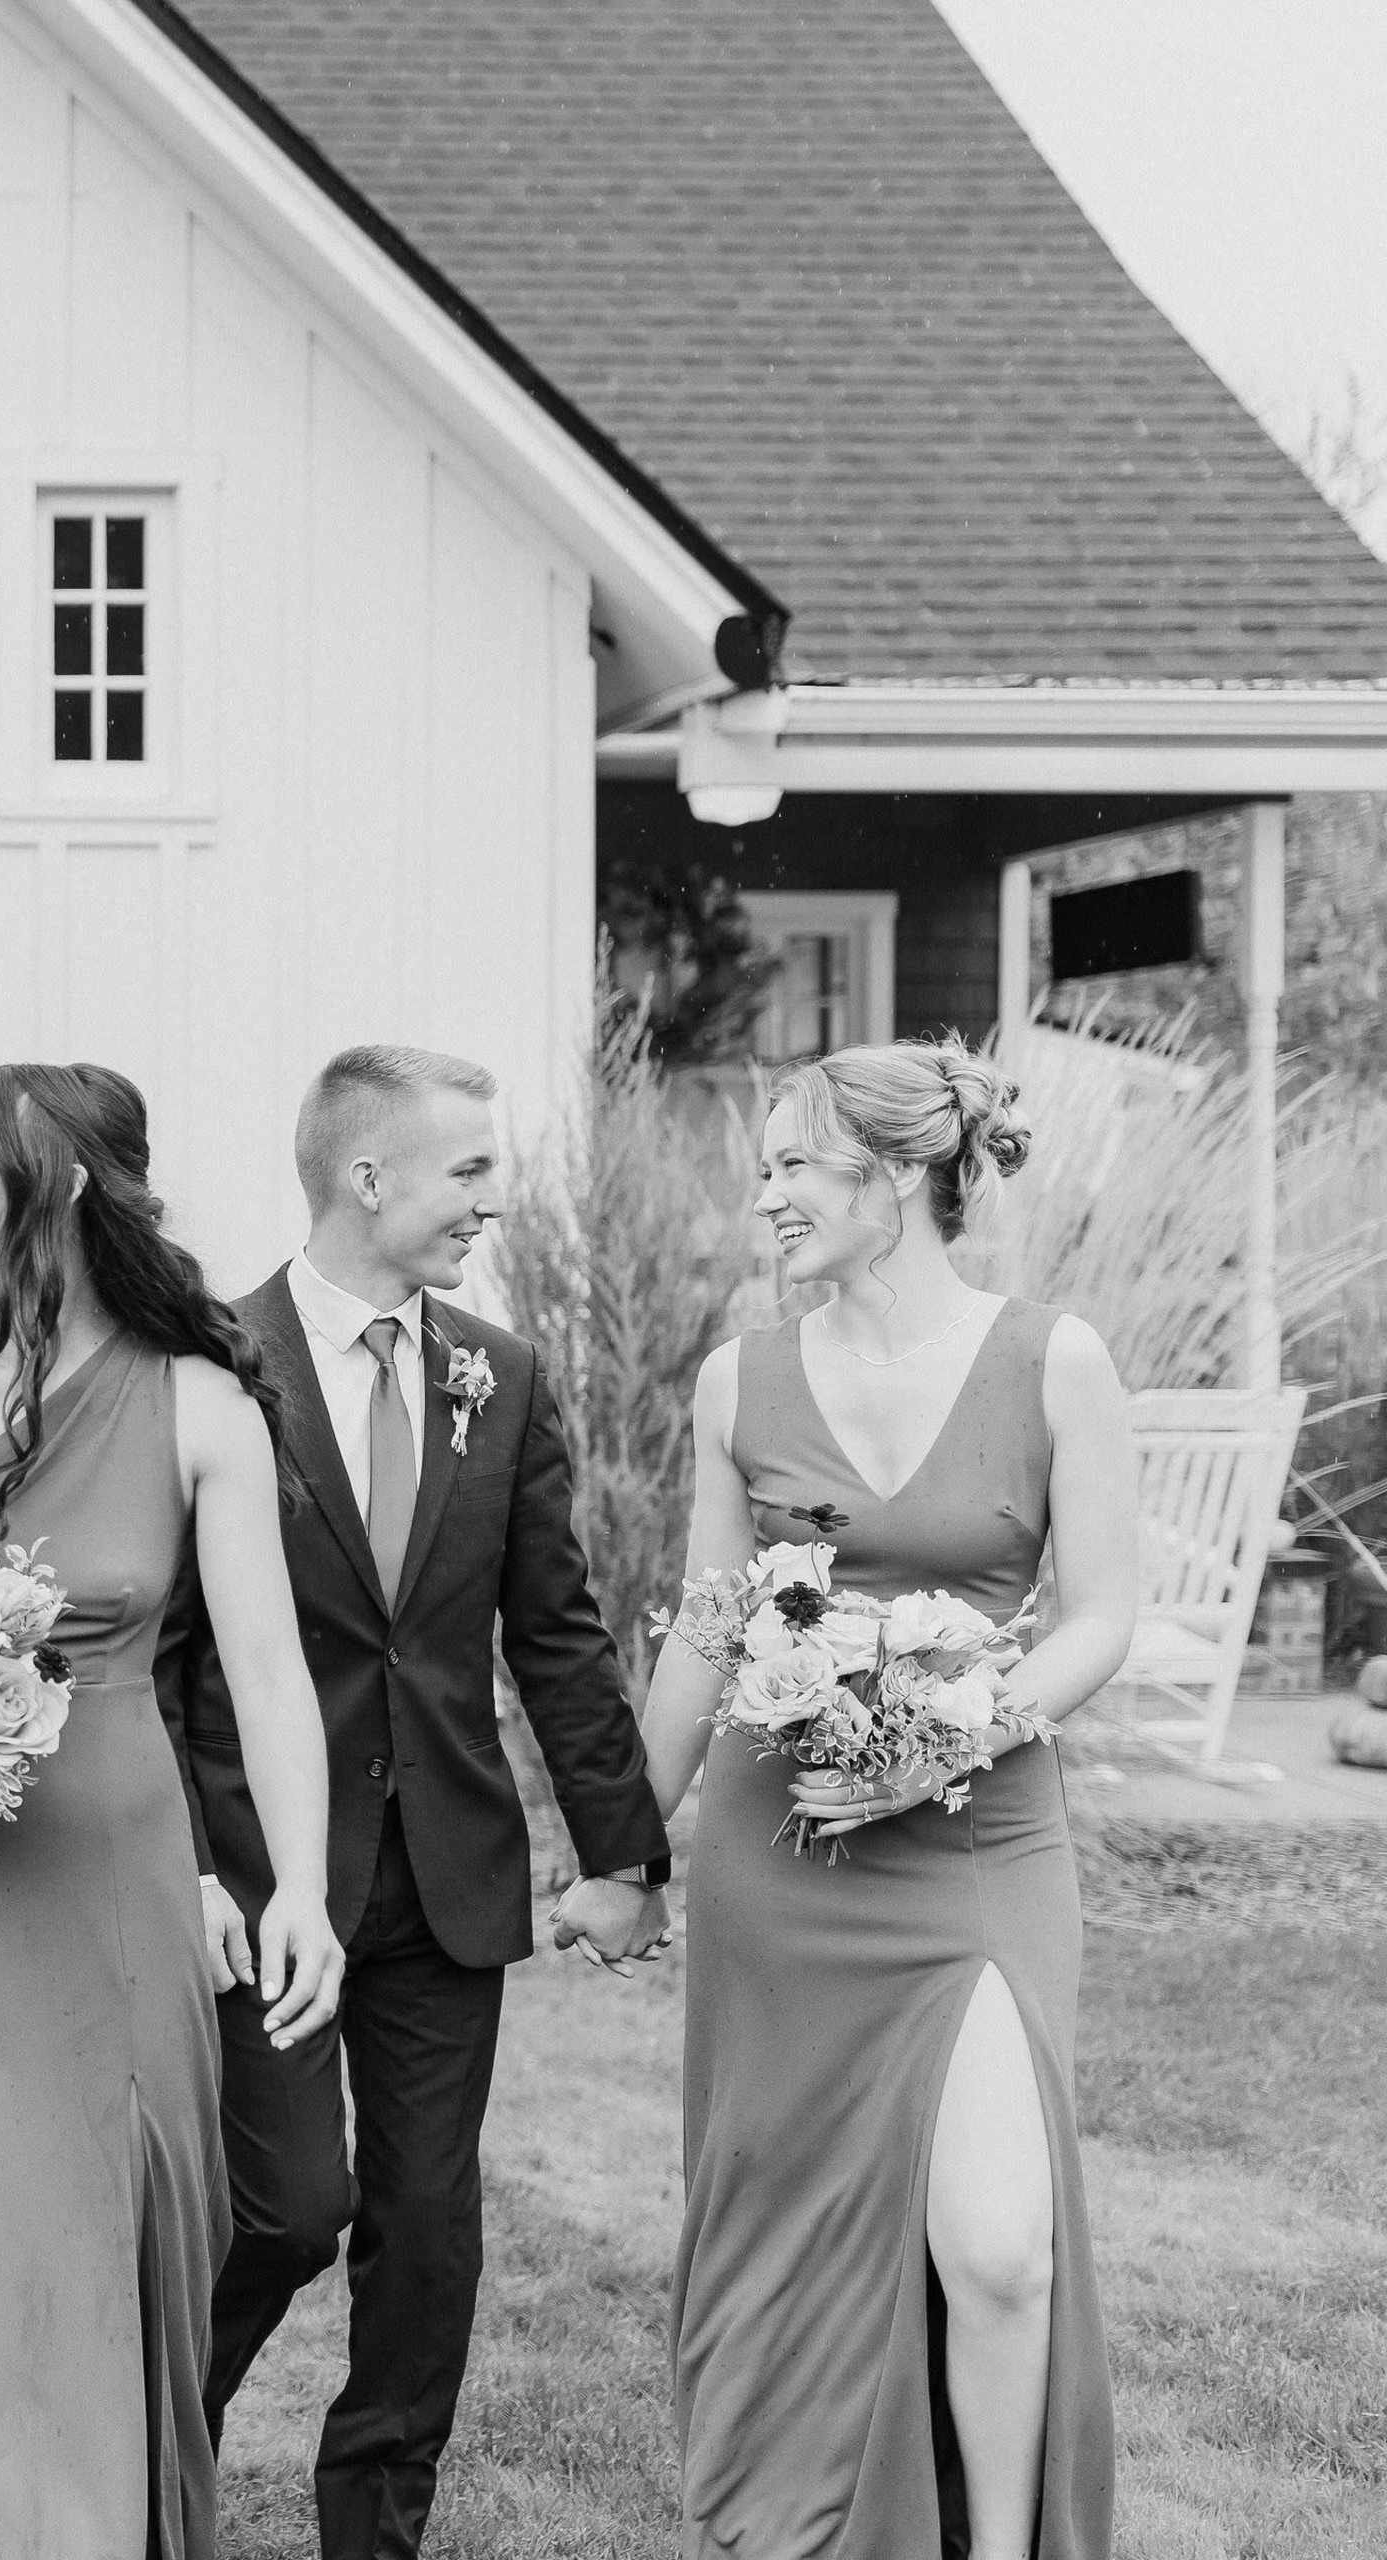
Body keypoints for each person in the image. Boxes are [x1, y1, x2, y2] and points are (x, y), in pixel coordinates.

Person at [0, 1060, 344, 2559]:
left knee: (95, 2247)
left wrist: (299, 1887)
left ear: (67, 1180)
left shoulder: (201, 1407)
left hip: (111, 1883)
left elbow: (273, 1679)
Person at [154, 1043, 673, 2560]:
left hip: (446, 1870)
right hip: (263, 1886)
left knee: (430, 2233)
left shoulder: (497, 1377)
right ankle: (145, 2443)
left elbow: (556, 1629)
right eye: (466, 1173)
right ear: (367, 1175)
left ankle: (373, 2529)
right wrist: (185, 1866)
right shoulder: (206, 1364)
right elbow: (162, 1658)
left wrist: (624, 1852)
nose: (489, 1204)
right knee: (289, 2208)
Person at [644, 1040, 1133, 2560]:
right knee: (786, 2235)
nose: (767, 1196)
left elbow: (1103, 1618)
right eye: (767, 1169)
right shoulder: (743, 1380)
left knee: (997, 2246)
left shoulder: (1056, 1359)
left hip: (977, 1843)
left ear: (902, 1177)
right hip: (779, 1861)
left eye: (795, 1164)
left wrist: (964, 1730)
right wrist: (616, 1848)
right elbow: (709, 1624)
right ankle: (795, 2520)